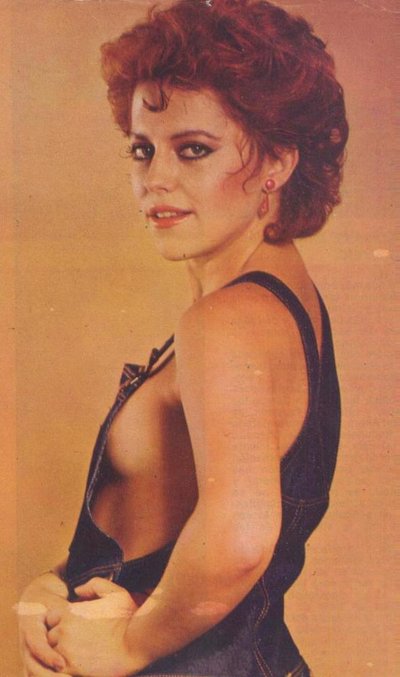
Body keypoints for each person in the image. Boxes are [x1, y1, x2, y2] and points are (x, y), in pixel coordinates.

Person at [18, 0, 348, 675]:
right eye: (143, 149)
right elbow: (163, 523)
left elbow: (241, 538)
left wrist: (127, 644)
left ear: (279, 160)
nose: (156, 179)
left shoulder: (226, 321)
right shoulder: (279, 302)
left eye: (194, 149)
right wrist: (52, 587)